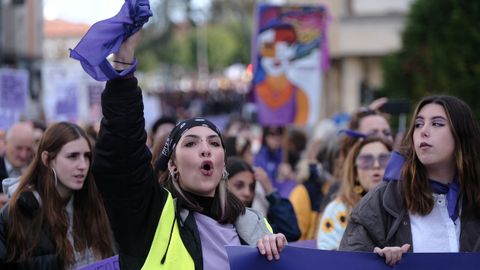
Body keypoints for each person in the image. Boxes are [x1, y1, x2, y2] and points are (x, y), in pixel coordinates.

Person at [92, 32, 286, 270]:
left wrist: (277, 253)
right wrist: (122, 67)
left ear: (223, 164)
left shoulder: (252, 221)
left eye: (214, 143)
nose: (205, 149)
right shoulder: (150, 216)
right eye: (191, 143)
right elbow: (121, 157)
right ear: (172, 165)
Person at [339, 96, 480, 266]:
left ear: (461, 135)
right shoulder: (384, 198)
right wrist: (377, 261)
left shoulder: (474, 195)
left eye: (437, 124)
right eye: (418, 124)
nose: (423, 131)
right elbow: (348, 262)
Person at [0, 122, 114, 269]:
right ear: (47, 159)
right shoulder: (18, 212)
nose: (83, 165)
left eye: (86, 156)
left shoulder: (95, 203)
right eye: (72, 156)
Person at [317, 137, 392, 249]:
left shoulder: (408, 207)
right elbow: (327, 259)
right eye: (366, 160)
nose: (376, 165)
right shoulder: (337, 210)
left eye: (384, 159)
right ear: (355, 173)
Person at [226, 157, 301, 242]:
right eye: (239, 185)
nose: (248, 193)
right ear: (223, 185)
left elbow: (291, 232)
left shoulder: (254, 223)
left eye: (252, 187)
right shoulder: (214, 221)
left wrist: (270, 191)